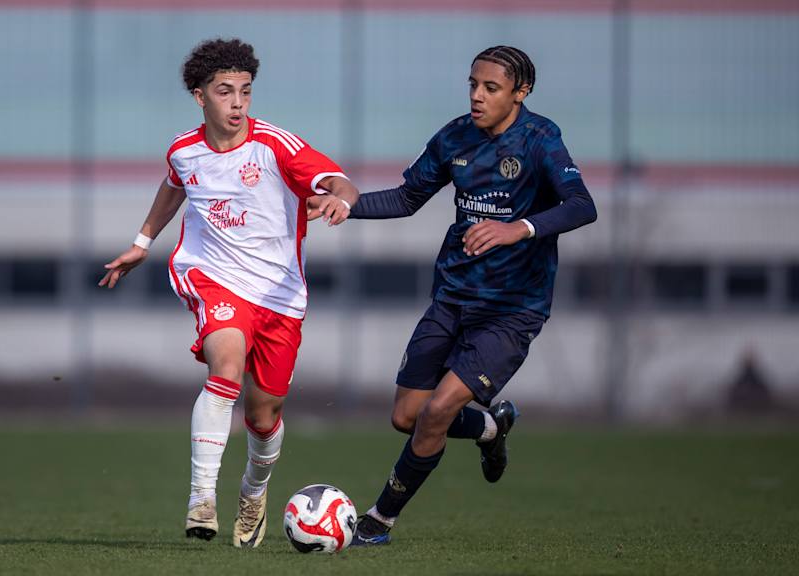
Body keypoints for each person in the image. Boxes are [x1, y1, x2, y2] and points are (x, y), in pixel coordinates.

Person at [325, 45, 597, 545]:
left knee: (436, 412)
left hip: (512, 311)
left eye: (491, 88)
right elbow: (407, 198)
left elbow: (582, 206)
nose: (477, 95)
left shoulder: (541, 139)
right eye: (473, 84)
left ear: (521, 92)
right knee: (405, 417)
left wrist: (520, 228)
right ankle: (491, 430)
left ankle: (378, 521)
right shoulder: (455, 137)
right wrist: (347, 205)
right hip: (452, 298)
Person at [99, 38, 358, 549]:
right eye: (225, 92)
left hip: (280, 295)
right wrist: (141, 242)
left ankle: (254, 491)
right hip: (213, 276)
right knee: (227, 366)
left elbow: (336, 179)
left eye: (245, 91)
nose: (237, 103)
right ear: (201, 97)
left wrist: (341, 201)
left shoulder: (275, 144)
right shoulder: (183, 150)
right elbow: (175, 183)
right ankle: (201, 498)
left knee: (265, 416)